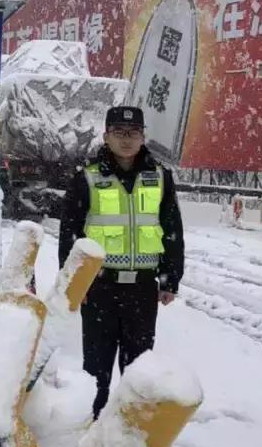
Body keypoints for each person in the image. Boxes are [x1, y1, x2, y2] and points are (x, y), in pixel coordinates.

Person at [59, 105, 184, 419]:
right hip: (99, 287)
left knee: (139, 368)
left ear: (143, 137)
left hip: (142, 290)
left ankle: (129, 431)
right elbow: (70, 231)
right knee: (95, 369)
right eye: (119, 133)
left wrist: (171, 277)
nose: (126, 140)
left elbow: (172, 230)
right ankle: (93, 425)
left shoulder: (160, 177)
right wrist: (75, 281)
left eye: (133, 133)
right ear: (106, 136)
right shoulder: (87, 177)